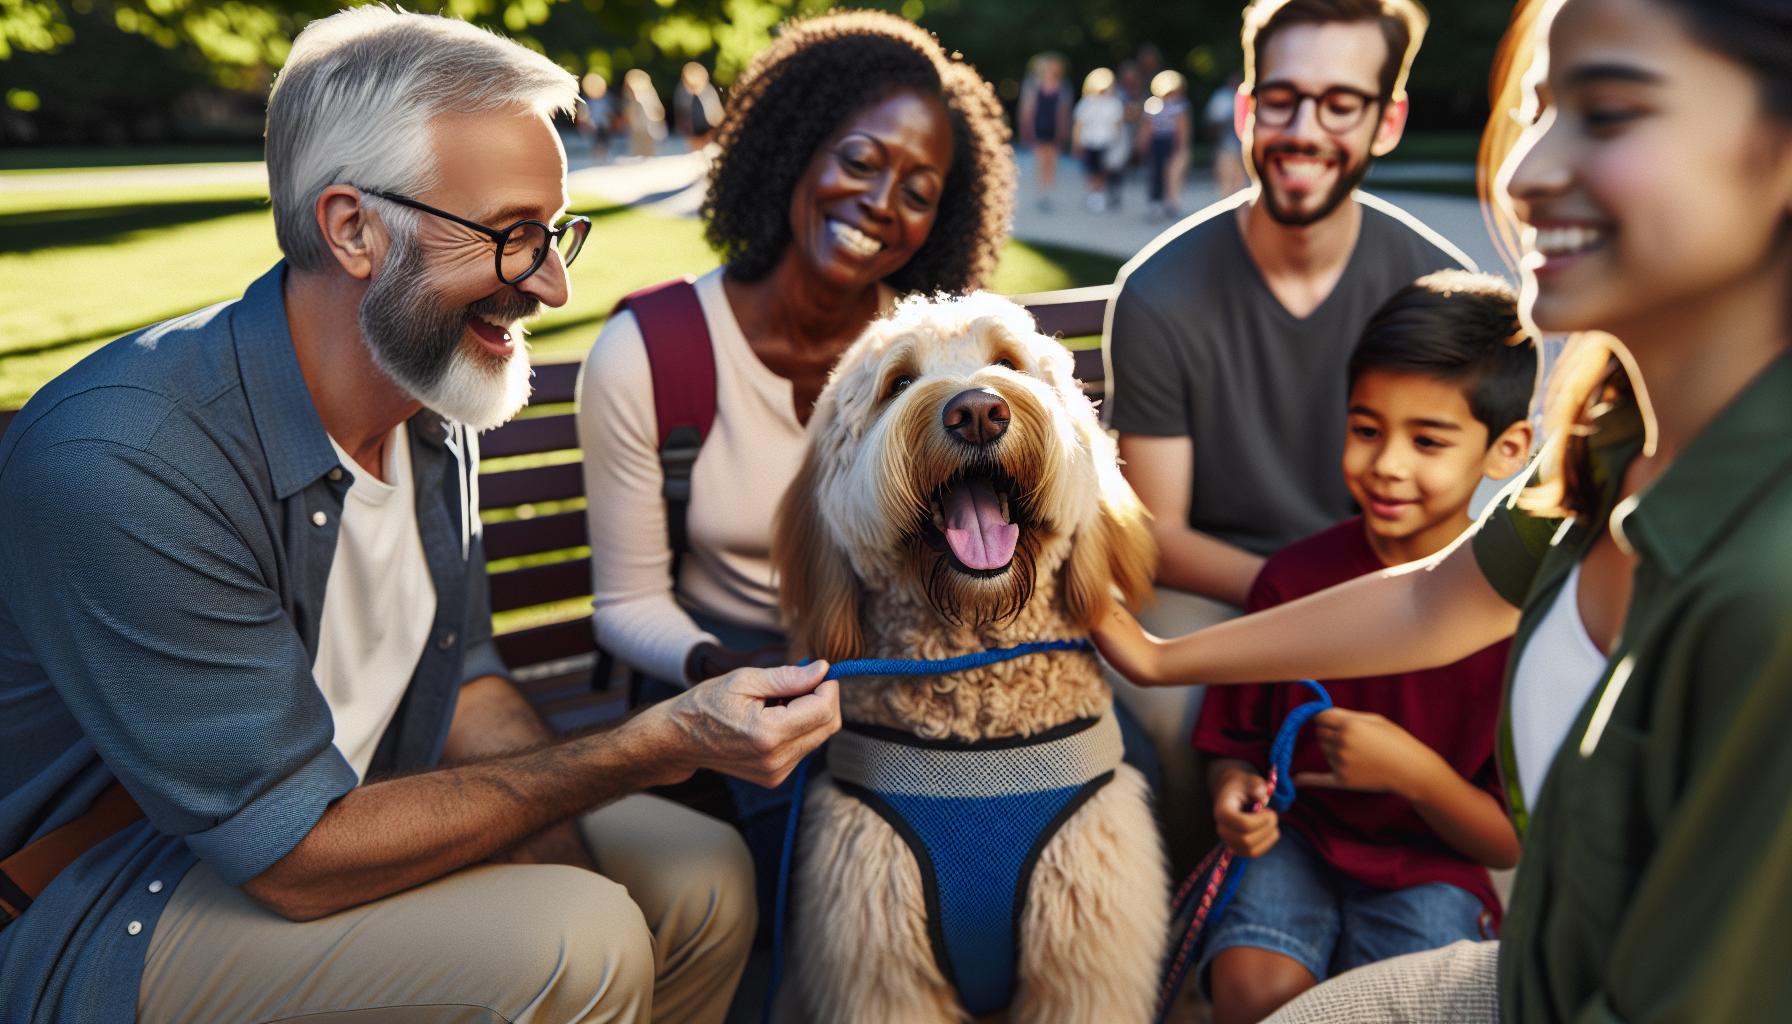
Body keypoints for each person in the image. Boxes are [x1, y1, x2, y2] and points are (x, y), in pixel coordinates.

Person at [0, 10, 842, 1023]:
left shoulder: (430, 397)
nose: (554, 283)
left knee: (701, 877)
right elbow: (293, 855)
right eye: (512, 235)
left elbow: (467, 685)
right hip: (109, 898)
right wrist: (650, 748)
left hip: (348, 805)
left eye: (556, 230)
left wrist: (575, 859)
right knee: (577, 941)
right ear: (352, 228)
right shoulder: (126, 458)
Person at [1096, 0, 1792, 1019]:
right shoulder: (1606, 444)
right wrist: (1156, 656)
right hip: (1524, 979)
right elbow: (1428, 603)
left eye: (1607, 113)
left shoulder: (1761, 578)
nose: (1521, 177)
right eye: (1541, 112)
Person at [575, 8, 1013, 916]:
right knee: (850, 893)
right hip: (733, 683)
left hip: (907, 670)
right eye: (860, 160)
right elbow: (625, 605)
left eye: (920, 187)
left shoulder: (943, 360)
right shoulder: (651, 352)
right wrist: (733, 674)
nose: (884, 203)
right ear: (795, 149)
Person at [1100, 0, 1471, 865]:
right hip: (1221, 583)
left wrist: (1358, 604)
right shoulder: (1161, 293)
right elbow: (1162, 536)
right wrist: (1310, 597)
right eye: (1282, 99)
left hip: (1387, 584)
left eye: (1341, 103)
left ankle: (1401, 914)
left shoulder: (1433, 287)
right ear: (1245, 109)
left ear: (1388, 121)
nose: (1305, 130)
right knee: (1180, 702)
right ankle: (1210, 913)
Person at [1194, 270, 1535, 1024]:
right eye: (1366, 428)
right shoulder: (1293, 580)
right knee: (1256, 990)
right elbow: (1235, 743)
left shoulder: (1514, 618)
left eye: (1429, 440)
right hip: (1300, 841)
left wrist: (1412, 773)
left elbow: (1504, 843)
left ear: (1506, 449)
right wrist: (1232, 793)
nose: (1387, 465)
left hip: (1436, 869)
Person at [1017, 53, 1071, 211]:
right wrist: (1027, 130)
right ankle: (1042, 192)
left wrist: (1064, 130)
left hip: (1054, 129)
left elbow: (1064, 111)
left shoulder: (1062, 87)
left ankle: (1048, 192)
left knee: (1052, 162)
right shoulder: (1034, 85)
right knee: (1041, 161)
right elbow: (1028, 110)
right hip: (1040, 127)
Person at [1140, 68, 1192, 219]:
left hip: (1171, 141)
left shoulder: (1180, 104)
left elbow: (1182, 127)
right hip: (1156, 142)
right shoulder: (1152, 104)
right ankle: (1155, 201)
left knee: (1172, 173)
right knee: (1156, 172)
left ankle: (1172, 201)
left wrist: (1182, 145)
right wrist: (1143, 142)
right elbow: (1147, 126)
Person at [1073, 66, 1125, 212]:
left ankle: (1101, 193)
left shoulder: (1114, 103)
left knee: (1102, 170)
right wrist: (1077, 142)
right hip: (1090, 142)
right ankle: (1094, 193)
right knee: (1091, 170)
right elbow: (1079, 124)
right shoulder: (1086, 103)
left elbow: (1118, 125)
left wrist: (1118, 144)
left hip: (1106, 142)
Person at [672, 61, 725, 149]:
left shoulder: (708, 91)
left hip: (709, 129)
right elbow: (681, 113)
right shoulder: (682, 93)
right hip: (694, 132)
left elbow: (716, 113)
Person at [622, 67, 667, 157]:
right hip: (637, 130)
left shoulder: (646, 96)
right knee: (639, 153)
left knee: (648, 154)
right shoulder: (629, 98)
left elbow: (658, 112)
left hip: (648, 129)